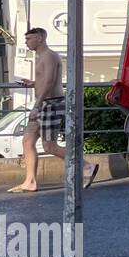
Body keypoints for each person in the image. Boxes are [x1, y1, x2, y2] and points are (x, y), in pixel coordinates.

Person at [7, 27, 98, 193]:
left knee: (50, 146)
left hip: (50, 104)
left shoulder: (49, 55)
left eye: (29, 39)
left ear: (40, 38)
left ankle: (87, 166)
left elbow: (50, 82)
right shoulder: (41, 56)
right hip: (43, 104)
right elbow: (45, 80)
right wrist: (33, 83)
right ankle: (30, 182)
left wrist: (36, 106)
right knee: (27, 141)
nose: (27, 42)